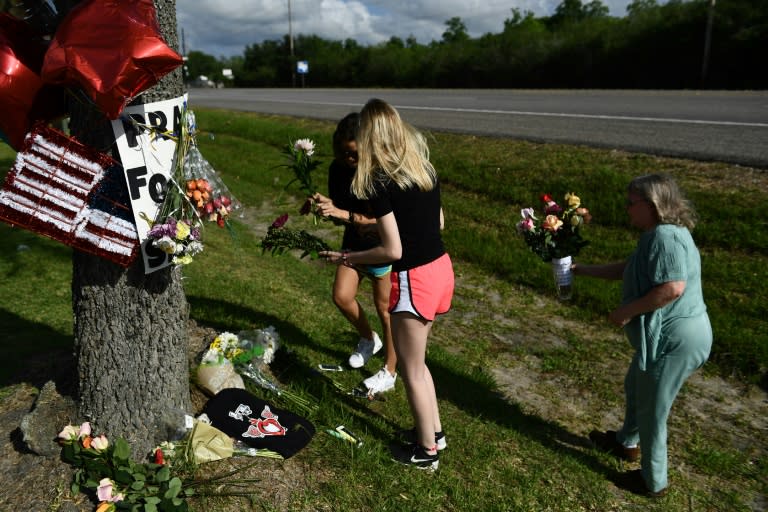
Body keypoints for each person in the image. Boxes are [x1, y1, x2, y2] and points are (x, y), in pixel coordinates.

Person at [321, 99, 454, 471]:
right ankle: (435, 432)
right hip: (442, 268)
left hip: (416, 277)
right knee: (419, 362)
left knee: (411, 370)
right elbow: (438, 224)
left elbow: (392, 250)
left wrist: (347, 258)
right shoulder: (423, 168)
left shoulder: (380, 182)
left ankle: (426, 453)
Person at [572, 174, 712, 497]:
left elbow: (673, 287)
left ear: (652, 205)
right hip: (666, 336)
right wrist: (583, 270)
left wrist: (627, 311)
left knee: (652, 409)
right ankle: (626, 443)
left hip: (677, 340)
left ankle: (653, 482)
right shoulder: (656, 235)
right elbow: (629, 268)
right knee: (636, 384)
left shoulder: (665, 238)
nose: (626, 209)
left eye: (631, 203)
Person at [312, 113, 397, 395]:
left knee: (385, 310)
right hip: (354, 243)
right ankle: (368, 339)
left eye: (354, 154)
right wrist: (326, 207)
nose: (348, 159)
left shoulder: (379, 175)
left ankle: (390, 369)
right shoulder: (337, 170)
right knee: (341, 296)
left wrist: (343, 213)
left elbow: (381, 222)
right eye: (342, 152)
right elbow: (341, 212)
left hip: (383, 247)